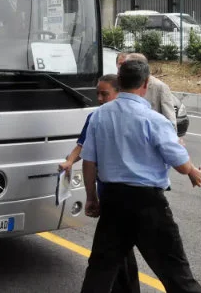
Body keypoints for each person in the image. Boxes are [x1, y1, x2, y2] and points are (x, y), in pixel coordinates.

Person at [80, 59, 201, 293]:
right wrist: (193, 171)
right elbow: (179, 162)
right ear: (146, 83)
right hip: (148, 205)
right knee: (176, 273)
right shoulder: (154, 120)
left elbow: (89, 161)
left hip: (113, 203)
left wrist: (91, 197)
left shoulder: (99, 116)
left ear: (120, 81)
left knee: (100, 270)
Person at [60, 75, 138, 293]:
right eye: (98, 94)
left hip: (128, 193)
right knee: (119, 246)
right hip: (108, 192)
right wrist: (69, 161)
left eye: (105, 94)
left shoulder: (132, 118)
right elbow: (82, 146)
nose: (100, 98)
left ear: (119, 93)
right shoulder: (95, 117)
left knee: (110, 249)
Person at [116, 52, 176, 128]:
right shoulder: (119, 82)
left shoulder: (159, 87)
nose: (123, 68)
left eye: (125, 65)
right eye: (120, 64)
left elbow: (170, 122)